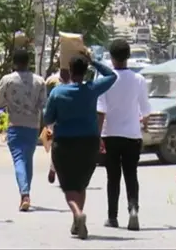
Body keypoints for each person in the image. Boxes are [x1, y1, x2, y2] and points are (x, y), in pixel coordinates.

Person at [43, 52, 117, 240]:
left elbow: (48, 118)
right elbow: (111, 76)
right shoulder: (92, 89)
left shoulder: (57, 92)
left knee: (68, 186)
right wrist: (93, 61)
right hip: (89, 142)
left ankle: (77, 213)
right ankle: (77, 222)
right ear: (85, 71)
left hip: (64, 143)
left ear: (69, 70)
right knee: (81, 184)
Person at [96, 39, 151, 230]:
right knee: (131, 174)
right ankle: (133, 209)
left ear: (111, 58)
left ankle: (112, 217)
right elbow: (145, 111)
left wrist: (97, 137)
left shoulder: (104, 81)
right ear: (129, 56)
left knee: (113, 177)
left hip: (110, 134)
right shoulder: (139, 80)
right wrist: (142, 123)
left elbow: (100, 111)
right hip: (132, 135)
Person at [0, 49, 46, 212]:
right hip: (33, 126)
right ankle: (25, 193)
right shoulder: (40, 81)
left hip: (15, 124)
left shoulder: (8, 80)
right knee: (27, 159)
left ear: (14, 62)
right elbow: (42, 104)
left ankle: (25, 194)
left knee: (18, 159)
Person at [44, 68, 70, 184]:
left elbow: (46, 99)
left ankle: (53, 168)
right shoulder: (73, 82)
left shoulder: (50, 80)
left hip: (54, 117)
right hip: (66, 118)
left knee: (57, 145)